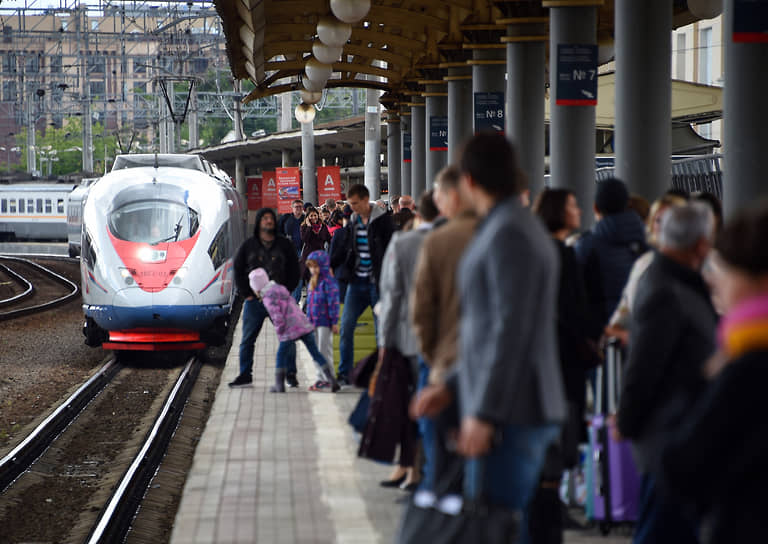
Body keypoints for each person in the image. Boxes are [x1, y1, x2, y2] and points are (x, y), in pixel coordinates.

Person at [412, 134, 565, 537]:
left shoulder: (508, 233)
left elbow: (509, 330)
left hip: (511, 411)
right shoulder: (511, 226)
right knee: (498, 524)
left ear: (469, 180)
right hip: (511, 403)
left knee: (493, 524)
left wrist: (484, 413)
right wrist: (455, 386)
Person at [661, 203, 768, 543]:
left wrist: (706, 377)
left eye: (725, 269)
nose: (713, 280)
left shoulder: (748, 367)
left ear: (756, 279)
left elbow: (682, 464)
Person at [616, 202, 717, 544]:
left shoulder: (680, 282)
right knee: (660, 532)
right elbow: (643, 365)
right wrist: (627, 420)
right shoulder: (665, 289)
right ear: (701, 244)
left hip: (680, 434)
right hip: (667, 438)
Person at [410, 165, 479, 495]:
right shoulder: (508, 234)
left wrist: (433, 356)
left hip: (449, 363)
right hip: (504, 374)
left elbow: (421, 313)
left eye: (439, 196)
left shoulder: (440, 241)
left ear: (452, 196)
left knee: (445, 457)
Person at [531, 188, 593, 542]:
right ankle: (550, 512)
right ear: (558, 212)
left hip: (539, 359)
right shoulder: (563, 255)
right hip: (562, 358)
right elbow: (575, 310)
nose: (579, 209)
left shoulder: (535, 251)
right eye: (572, 205)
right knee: (562, 434)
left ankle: (542, 508)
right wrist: (592, 338)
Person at [375, 190, 439, 491]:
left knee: (410, 407)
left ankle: (413, 471)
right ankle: (416, 471)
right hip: (450, 346)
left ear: (418, 213)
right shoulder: (460, 240)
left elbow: (391, 298)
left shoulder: (403, 243)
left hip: (410, 342)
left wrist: (385, 344)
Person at [332, 183, 395, 385]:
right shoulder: (352, 220)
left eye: (355, 203)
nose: (352, 207)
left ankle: (382, 375)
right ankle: (345, 373)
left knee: (381, 332)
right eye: (350, 204)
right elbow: (345, 249)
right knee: (346, 327)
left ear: (366, 200)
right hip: (356, 283)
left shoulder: (384, 222)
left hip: (378, 285)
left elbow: (392, 251)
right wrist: (330, 265)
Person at [230, 208, 300, 388]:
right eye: (265, 218)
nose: (268, 221)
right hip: (255, 302)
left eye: (271, 219)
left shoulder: (284, 245)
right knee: (247, 339)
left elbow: (295, 270)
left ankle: (291, 374)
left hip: (279, 300)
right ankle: (245, 374)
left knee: (288, 337)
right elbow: (238, 270)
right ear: (259, 222)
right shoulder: (249, 246)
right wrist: (247, 294)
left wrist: (286, 291)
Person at [605, 194, 687, 344]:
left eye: (672, 220)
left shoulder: (706, 263)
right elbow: (623, 313)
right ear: (650, 224)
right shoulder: (643, 264)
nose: (664, 226)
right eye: (658, 220)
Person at [574, 177, 647, 339]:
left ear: (595, 208)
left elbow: (575, 298)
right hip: (640, 334)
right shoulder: (647, 244)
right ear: (628, 205)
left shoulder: (586, 246)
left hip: (603, 336)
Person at [248, 268, 339, 393]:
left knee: (280, 355)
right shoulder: (280, 288)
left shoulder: (267, 298)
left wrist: (280, 332)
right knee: (315, 353)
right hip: (303, 324)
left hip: (289, 329)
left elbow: (277, 316)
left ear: (257, 288)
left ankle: (279, 385)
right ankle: (331, 380)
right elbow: (292, 303)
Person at [304, 250, 341, 391]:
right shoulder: (313, 282)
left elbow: (333, 303)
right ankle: (321, 378)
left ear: (323, 266)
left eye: (315, 266)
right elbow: (310, 303)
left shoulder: (329, 283)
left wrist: (334, 321)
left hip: (325, 322)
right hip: (314, 322)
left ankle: (327, 378)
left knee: (324, 351)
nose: (313, 270)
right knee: (317, 351)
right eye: (310, 267)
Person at [280, 199, 306, 302]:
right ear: (292, 208)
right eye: (296, 207)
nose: (298, 209)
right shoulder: (286, 219)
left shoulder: (305, 219)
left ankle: (295, 300)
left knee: (299, 275)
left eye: (300, 207)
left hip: (302, 250)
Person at [299, 206, 331, 280]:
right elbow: (305, 239)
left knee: (320, 278)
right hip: (309, 255)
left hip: (320, 254)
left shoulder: (323, 226)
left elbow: (329, 239)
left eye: (315, 215)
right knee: (310, 279)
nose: (313, 217)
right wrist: (309, 227)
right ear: (307, 217)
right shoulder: (304, 226)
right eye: (311, 216)